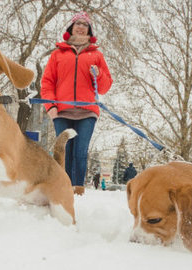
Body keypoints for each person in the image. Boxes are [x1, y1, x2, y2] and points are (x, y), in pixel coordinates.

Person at [41, 11, 113, 196]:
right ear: (71, 28)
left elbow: (105, 87)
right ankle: (63, 189)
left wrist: (99, 74)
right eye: (77, 23)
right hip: (62, 111)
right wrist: (51, 107)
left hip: (87, 112)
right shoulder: (58, 54)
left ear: (89, 30)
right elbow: (47, 82)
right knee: (64, 151)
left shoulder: (96, 55)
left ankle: (78, 190)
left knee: (80, 152)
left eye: (85, 24)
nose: (81, 27)